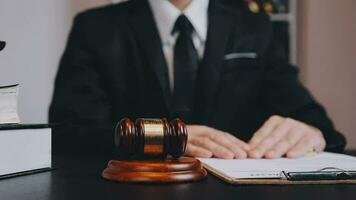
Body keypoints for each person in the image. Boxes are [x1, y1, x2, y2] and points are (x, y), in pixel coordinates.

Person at [49, 0, 346, 158]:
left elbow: (315, 122)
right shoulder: (96, 28)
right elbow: (67, 132)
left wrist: (309, 131)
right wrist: (165, 138)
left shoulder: (254, 26)